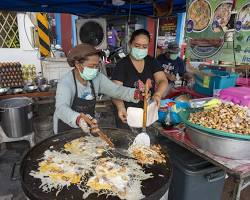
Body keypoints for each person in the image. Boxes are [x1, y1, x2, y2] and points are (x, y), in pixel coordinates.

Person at [53, 43, 145, 134]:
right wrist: (78, 119)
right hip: (65, 129)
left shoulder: (97, 78)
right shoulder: (66, 82)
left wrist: (136, 94)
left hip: (89, 125)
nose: (95, 70)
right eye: (91, 66)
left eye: (96, 66)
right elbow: (61, 108)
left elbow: (116, 91)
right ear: (77, 64)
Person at [111, 29, 168, 128]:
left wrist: (158, 94)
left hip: (147, 111)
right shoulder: (122, 64)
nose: (140, 49)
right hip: (127, 113)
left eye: (144, 46)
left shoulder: (151, 61)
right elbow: (115, 90)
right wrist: (120, 107)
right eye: (137, 46)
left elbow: (162, 80)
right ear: (130, 44)